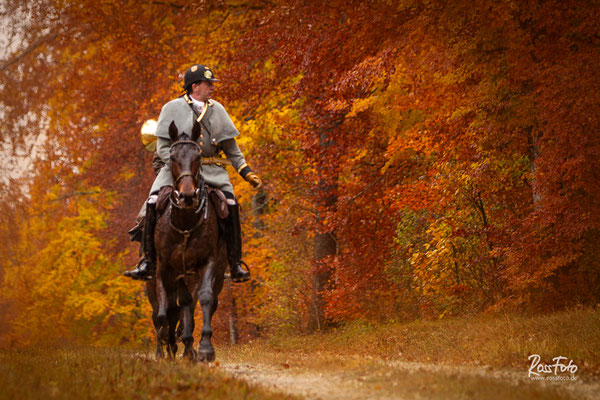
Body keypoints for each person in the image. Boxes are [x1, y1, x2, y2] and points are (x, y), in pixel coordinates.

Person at [124, 64, 262, 282]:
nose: (212, 87)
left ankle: (235, 263)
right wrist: (181, 166)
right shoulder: (171, 108)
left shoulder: (219, 110)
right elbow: (162, 147)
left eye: (212, 84)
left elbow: (232, 150)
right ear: (194, 86)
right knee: (153, 201)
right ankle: (148, 261)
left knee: (232, 204)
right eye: (208, 84)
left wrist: (247, 173)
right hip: (177, 170)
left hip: (212, 171)